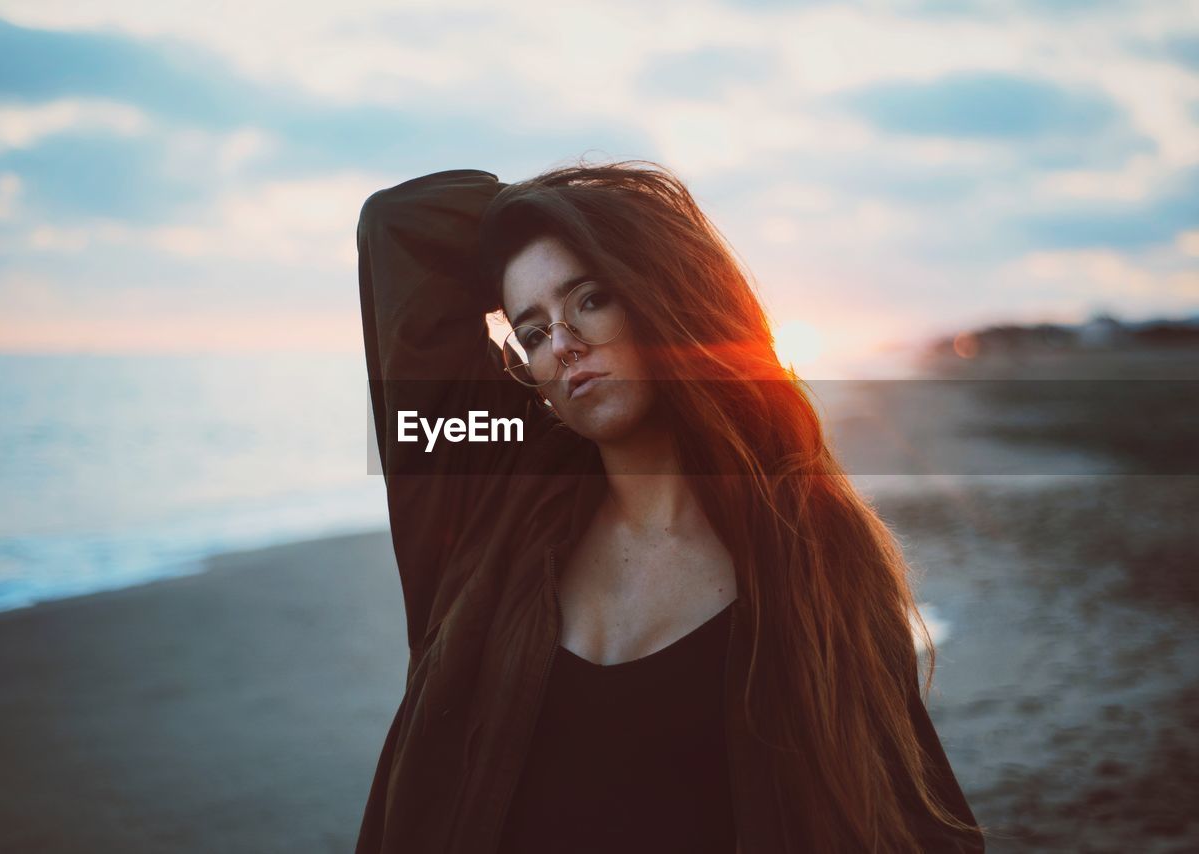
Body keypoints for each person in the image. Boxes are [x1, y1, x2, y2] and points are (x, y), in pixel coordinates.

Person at [354, 161, 986, 853]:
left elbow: (907, 816)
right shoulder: (496, 503)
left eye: (590, 299)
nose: (563, 342)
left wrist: (584, 218)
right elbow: (401, 227)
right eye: (532, 332)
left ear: (661, 298)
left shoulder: (811, 556)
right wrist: (533, 210)